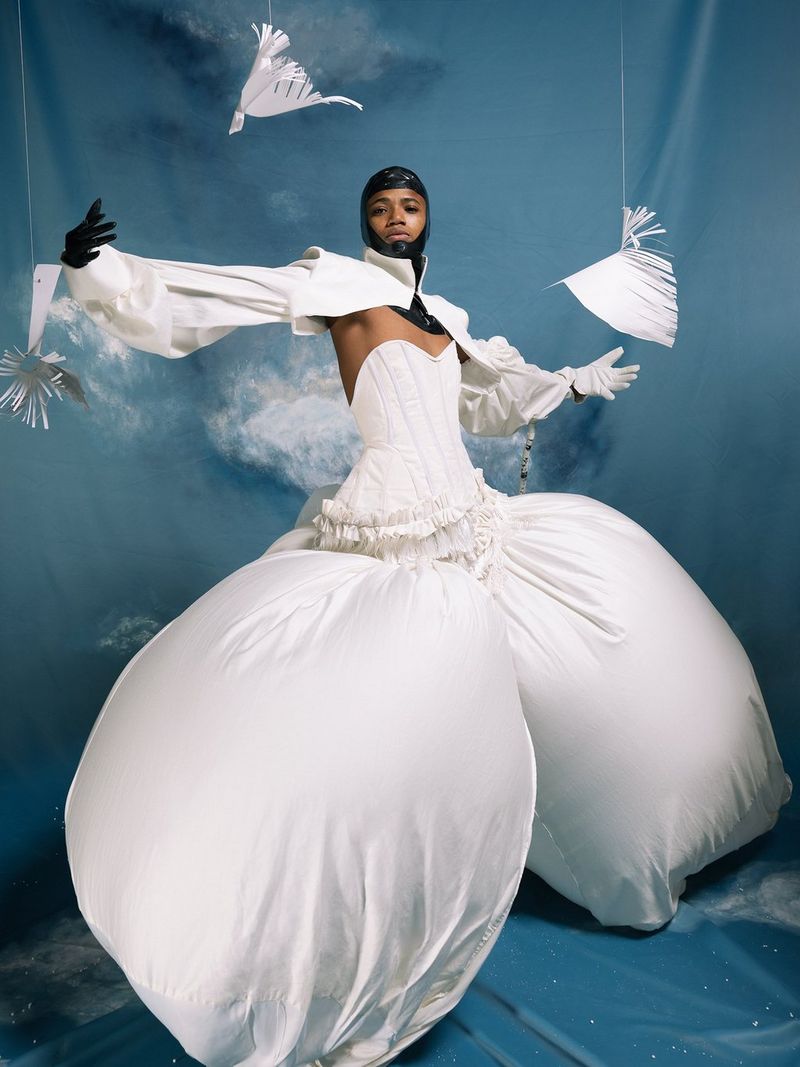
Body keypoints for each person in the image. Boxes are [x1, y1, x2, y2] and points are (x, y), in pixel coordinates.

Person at [61, 168, 791, 1067]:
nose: (395, 219)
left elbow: (483, 403)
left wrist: (568, 382)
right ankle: (291, 941)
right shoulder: (338, 282)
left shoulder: (444, 313)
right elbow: (226, 293)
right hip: (397, 531)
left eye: (408, 207)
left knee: (603, 659)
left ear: (426, 219)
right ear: (364, 222)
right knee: (377, 731)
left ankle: (639, 846)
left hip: (472, 517)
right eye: (380, 208)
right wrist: (103, 272)